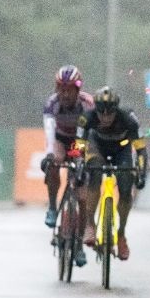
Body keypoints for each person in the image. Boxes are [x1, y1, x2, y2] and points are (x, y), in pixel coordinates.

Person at [75, 87, 147, 261]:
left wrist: (141, 172)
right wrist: (79, 163)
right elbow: (80, 144)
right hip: (96, 146)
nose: (105, 117)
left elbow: (141, 150)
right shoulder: (87, 117)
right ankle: (90, 225)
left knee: (125, 185)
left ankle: (121, 234)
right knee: (94, 174)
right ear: (96, 110)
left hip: (121, 149)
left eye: (110, 113)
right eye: (102, 113)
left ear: (116, 110)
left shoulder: (129, 119)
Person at [41, 65, 94, 267]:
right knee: (54, 161)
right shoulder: (52, 103)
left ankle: (79, 244)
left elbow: (87, 133)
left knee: (82, 198)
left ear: (77, 89)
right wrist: (49, 155)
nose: (64, 93)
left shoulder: (88, 104)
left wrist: (80, 158)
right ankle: (53, 206)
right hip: (61, 140)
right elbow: (49, 131)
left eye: (68, 89)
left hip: (81, 141)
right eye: (60, 88)